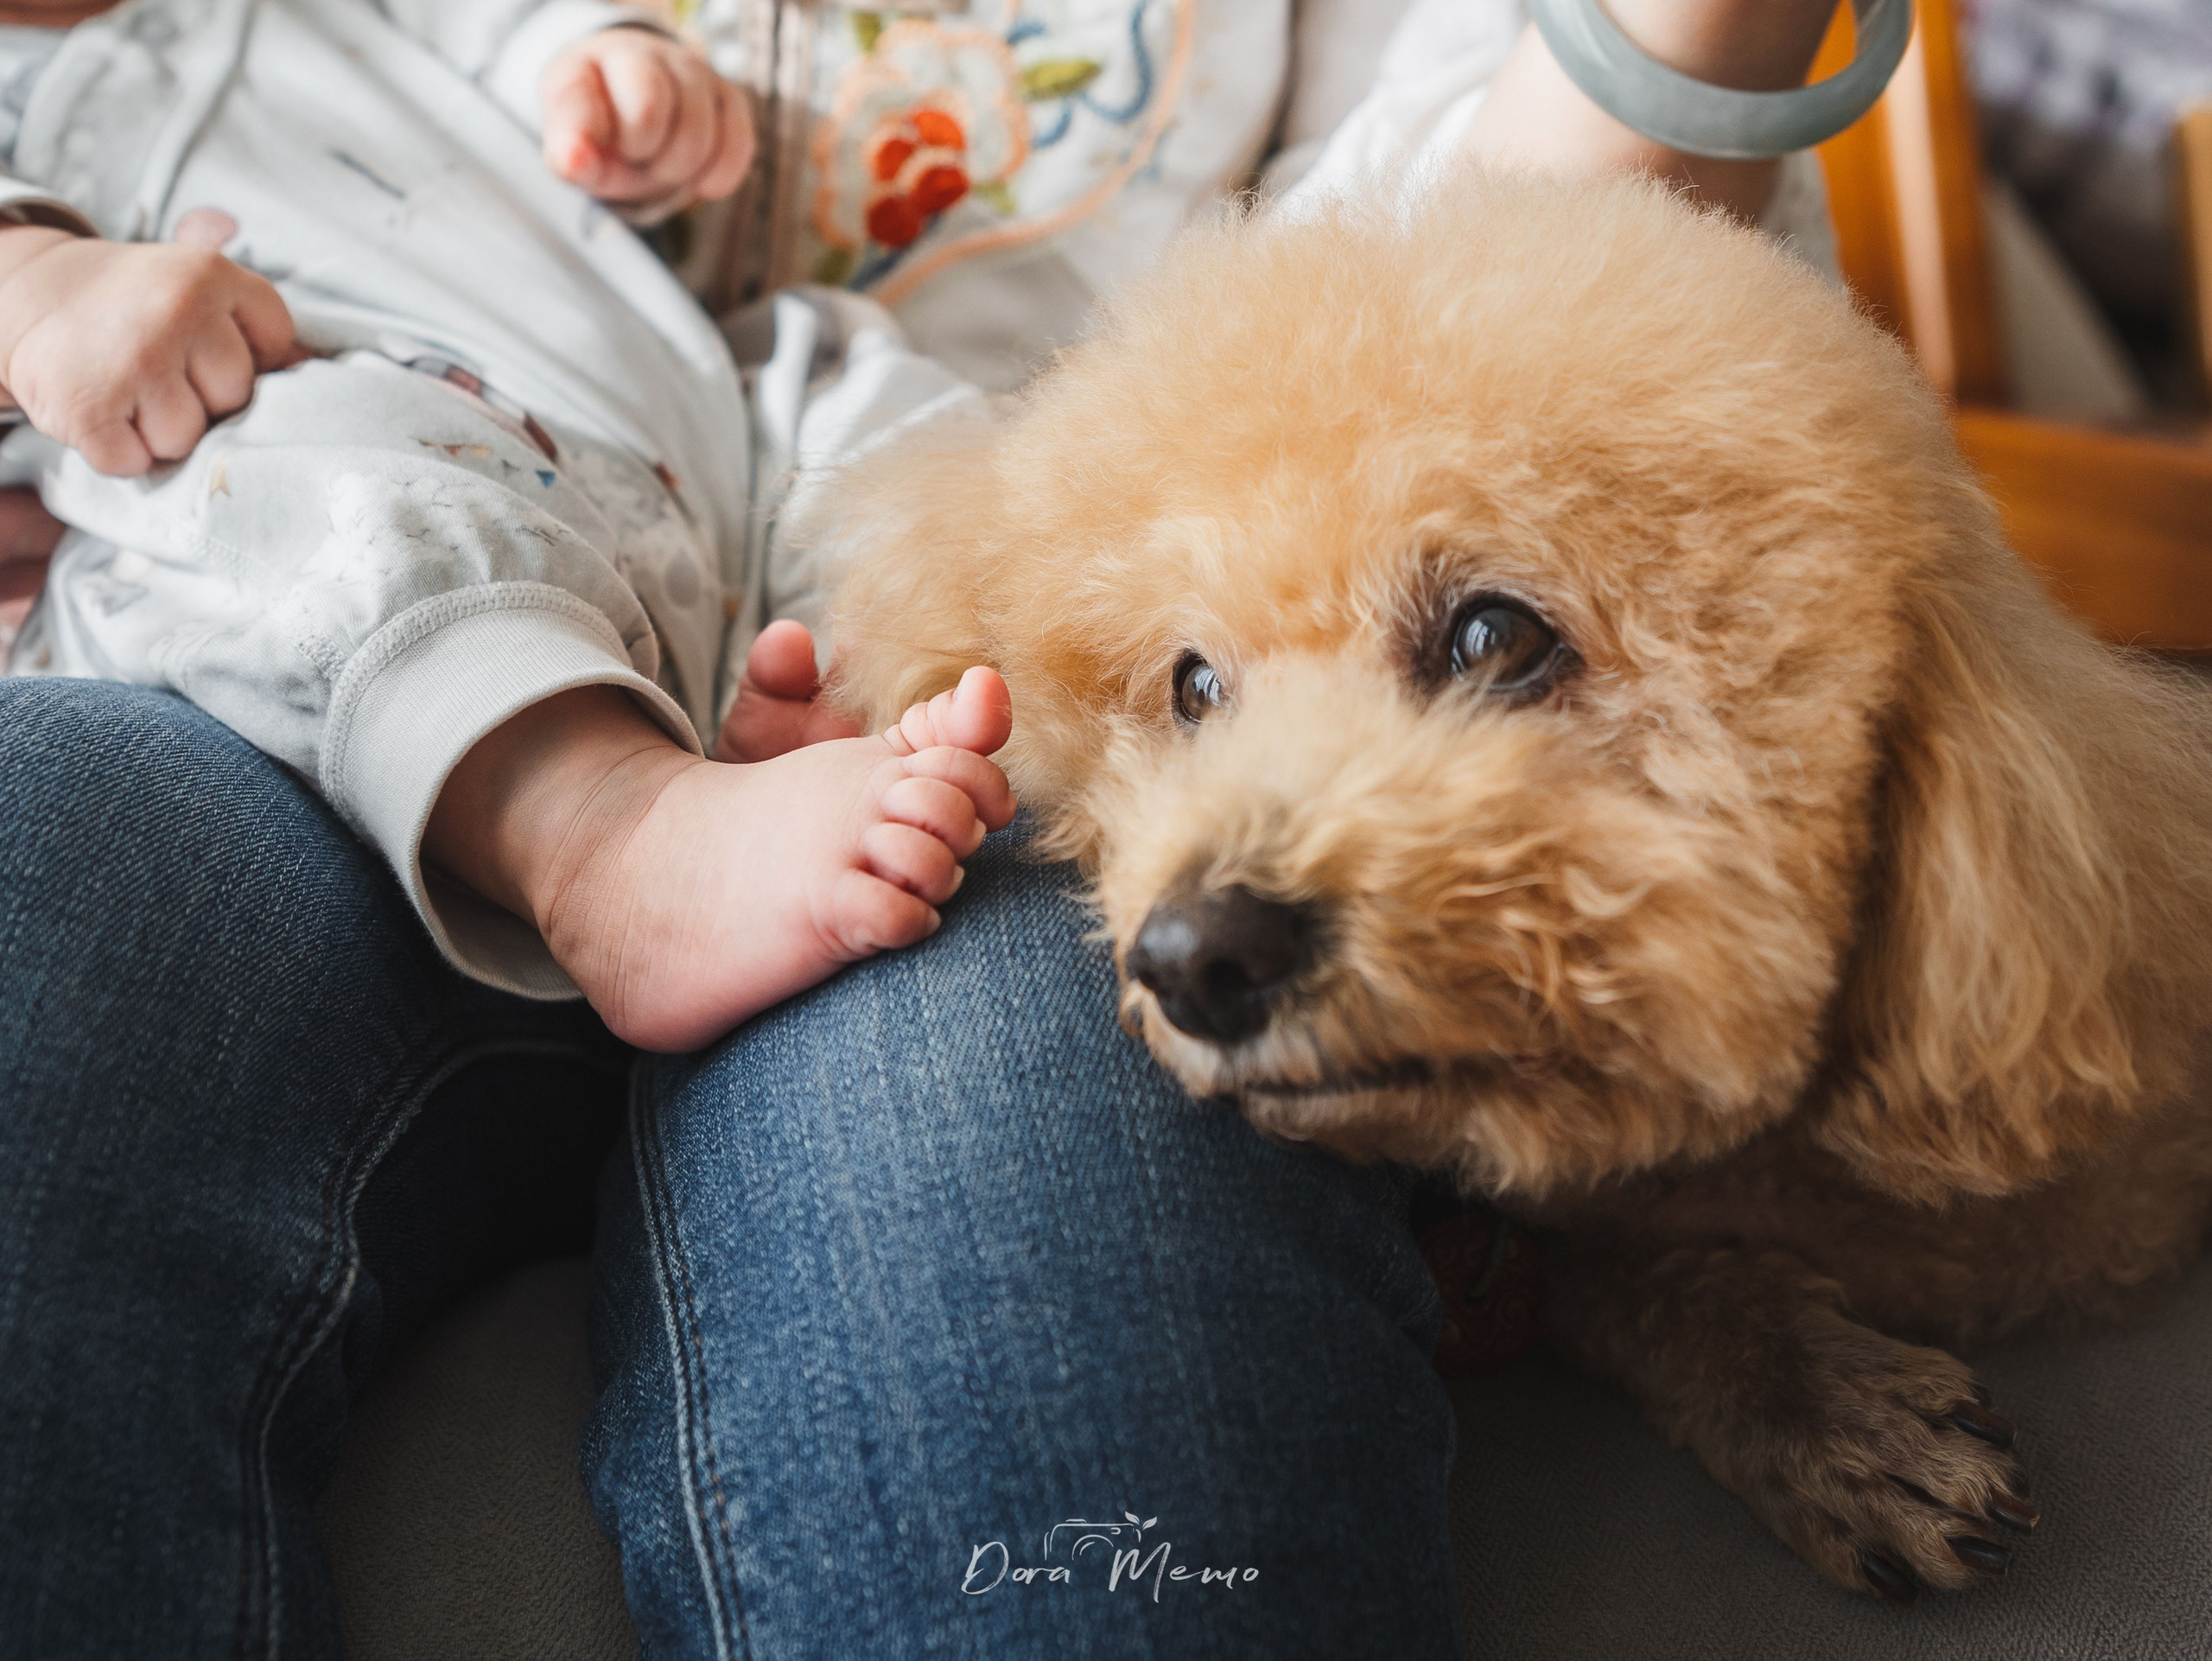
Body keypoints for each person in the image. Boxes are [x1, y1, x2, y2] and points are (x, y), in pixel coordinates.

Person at [0, 1, 1847, 1656]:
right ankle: (589, 820)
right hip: (251, 683)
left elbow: (1454, 320)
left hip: (944, 689)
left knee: (1064, 1442)